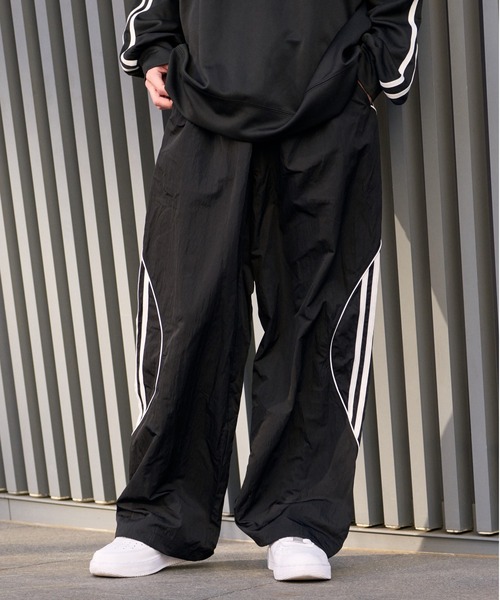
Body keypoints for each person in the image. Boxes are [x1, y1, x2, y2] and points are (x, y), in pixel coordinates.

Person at [90, 0, 422, 582]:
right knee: (186, 316)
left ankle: (298, 520)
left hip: (325, 114)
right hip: (204, 111)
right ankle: (160, 519)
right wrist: (156, 48)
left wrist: (365, 74)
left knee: (314, 320)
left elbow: (396, 12)